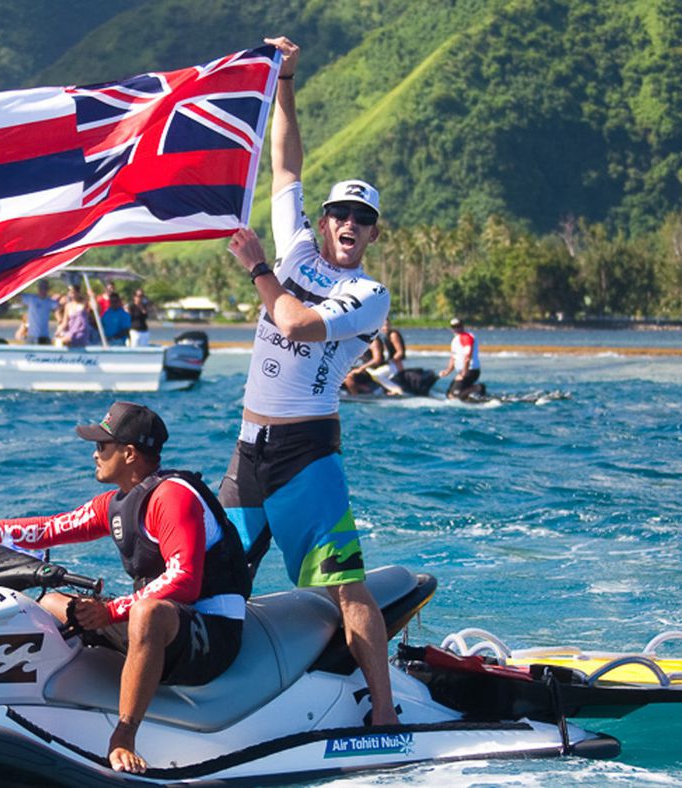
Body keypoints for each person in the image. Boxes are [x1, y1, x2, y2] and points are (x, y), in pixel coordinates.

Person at [217, 36, 399, 726]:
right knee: (215, 569)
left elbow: (293, 323)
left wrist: (260, 269)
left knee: (343, 588)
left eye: (365, 219)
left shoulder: (368, 293)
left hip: (306, 458)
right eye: (342, 214)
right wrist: (286, 79)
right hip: (248, 449)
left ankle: (383, 713)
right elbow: (285, 160)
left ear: (373, 235)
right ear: (324, 222)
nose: (351, 225)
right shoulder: (297, 239)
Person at [0, 401, 249, 774]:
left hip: (212, 633)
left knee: (147, 614)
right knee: (52, 601)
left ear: (129, 454)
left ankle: (124, 735)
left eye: (102, 446)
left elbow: (185, 579)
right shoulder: (118, 502)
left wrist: (112, 611)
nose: (95, 454)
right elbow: (50, 529)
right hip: (168, 622)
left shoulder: (172, 497)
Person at [438, 317, 482, 399]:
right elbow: (453, 358)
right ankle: (471, 395)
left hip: (470, 370)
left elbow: (468, 356)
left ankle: (478, 388)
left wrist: (464, 372)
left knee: (454, 396)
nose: (457, 329)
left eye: (459, 326)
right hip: (464, 371)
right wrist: (447, 371)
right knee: (449, 393)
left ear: (463, 326)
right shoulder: (455, 339)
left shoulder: (466, 337)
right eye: (454, 327)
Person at [21, 279, 57, 345]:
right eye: (41, 287)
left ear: (47, 289)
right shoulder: (31, 298)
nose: (43, 290)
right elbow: (17, 296)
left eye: (45, 288)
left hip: (44, 337)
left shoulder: (50, 301)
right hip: (31, 336)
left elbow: (60, 307)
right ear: (38, 288)